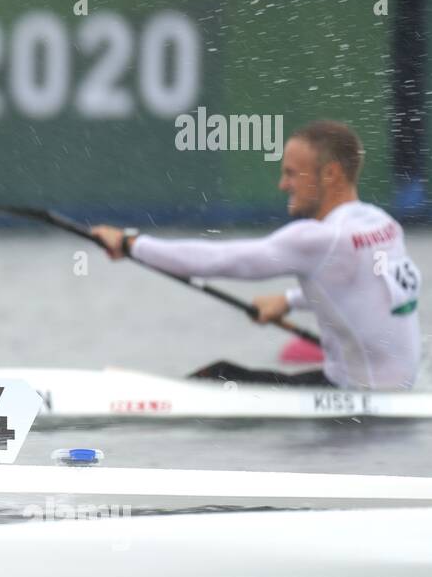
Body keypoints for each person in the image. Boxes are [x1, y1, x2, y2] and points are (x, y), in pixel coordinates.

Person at [92, 121, 421, 390]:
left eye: (292, 173)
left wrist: (130, 244)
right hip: (396, 388)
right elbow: (364, 289)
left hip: (357, 399)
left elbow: (221, 260)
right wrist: (289, 301)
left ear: (331, 174)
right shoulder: (383, 224)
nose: (282, 185)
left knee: (219, 376)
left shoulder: (320, 239)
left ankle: (144, 399)